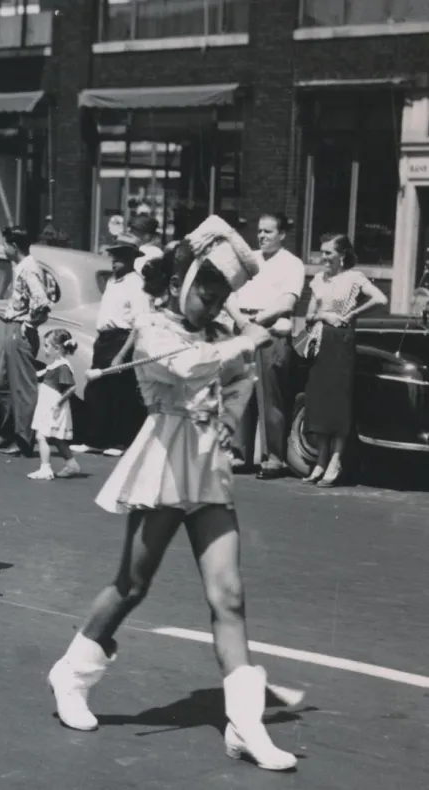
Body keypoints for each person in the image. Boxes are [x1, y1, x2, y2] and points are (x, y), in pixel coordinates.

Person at [47, 217, 300, 772]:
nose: (212, 305)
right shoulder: (153, 324)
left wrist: (232, 396)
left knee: (228, 595)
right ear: (183, 284)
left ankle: (245, 725)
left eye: (221, 297)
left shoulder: (216, 331)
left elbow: (236, 383)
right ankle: (71, 673)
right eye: (206, 294)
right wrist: (244, 341)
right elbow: (186, 369)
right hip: (164, 460)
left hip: (208, 465)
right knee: (132, 585)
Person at [299, 233, 387, 487]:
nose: (323, 257)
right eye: (321, 251)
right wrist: (325, 316)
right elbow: (309, 316)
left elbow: (381, 299)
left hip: (342, 343)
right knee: (320, 400)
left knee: (338, 401)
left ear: (342, 255)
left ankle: (335, 461)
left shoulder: (354, 278)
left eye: (328, 252)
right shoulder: (318, 279)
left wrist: (351, 313)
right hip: (320, 341)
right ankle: (320, 461)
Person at [234, 214, 305, 479]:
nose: (262, 236)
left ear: (282, 234)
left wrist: (257, 320)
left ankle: (273, 458)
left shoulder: (292, 264)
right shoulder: (249, 260)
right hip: (242, 327)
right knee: (240, 392)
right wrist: (241, 321)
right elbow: (231, 292)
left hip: (270, 330)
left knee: (270, 395)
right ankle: (239, 454)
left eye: (268, 232)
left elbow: (287, 302)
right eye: (260, 231)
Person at [0, 226, 52, 457]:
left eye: (5, 244)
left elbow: (42, 302)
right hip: (12, 326)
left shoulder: (28, 268)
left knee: (22, 388)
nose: (3, 249)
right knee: (4, 386)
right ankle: (7, 435)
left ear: (14, 246)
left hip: (20, 330)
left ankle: (23, 440)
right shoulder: (21, 267)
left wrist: (28, 323)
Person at [87, 233, 151, 455]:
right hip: (105, 339)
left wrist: (123, 353)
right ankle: (96, 439)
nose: (114, 262)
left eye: (120, 257)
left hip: (122, 339)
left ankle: (119, 442)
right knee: (97, 390)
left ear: (132, 258)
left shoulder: (137, 284)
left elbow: (139, 323)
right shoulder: (113, 282)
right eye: (113, 257)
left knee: (120, 392)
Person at [28, 328, 81, 480]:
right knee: (57, 438)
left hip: (53, 406)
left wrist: (58, 404)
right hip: (48, 404)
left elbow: (71, 387)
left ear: (57, 348)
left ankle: (45, 468)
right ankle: (72, 465)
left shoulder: (63, 366)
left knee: (41, 436)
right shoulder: (56, 365)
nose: (44, 348)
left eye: (46, 345)